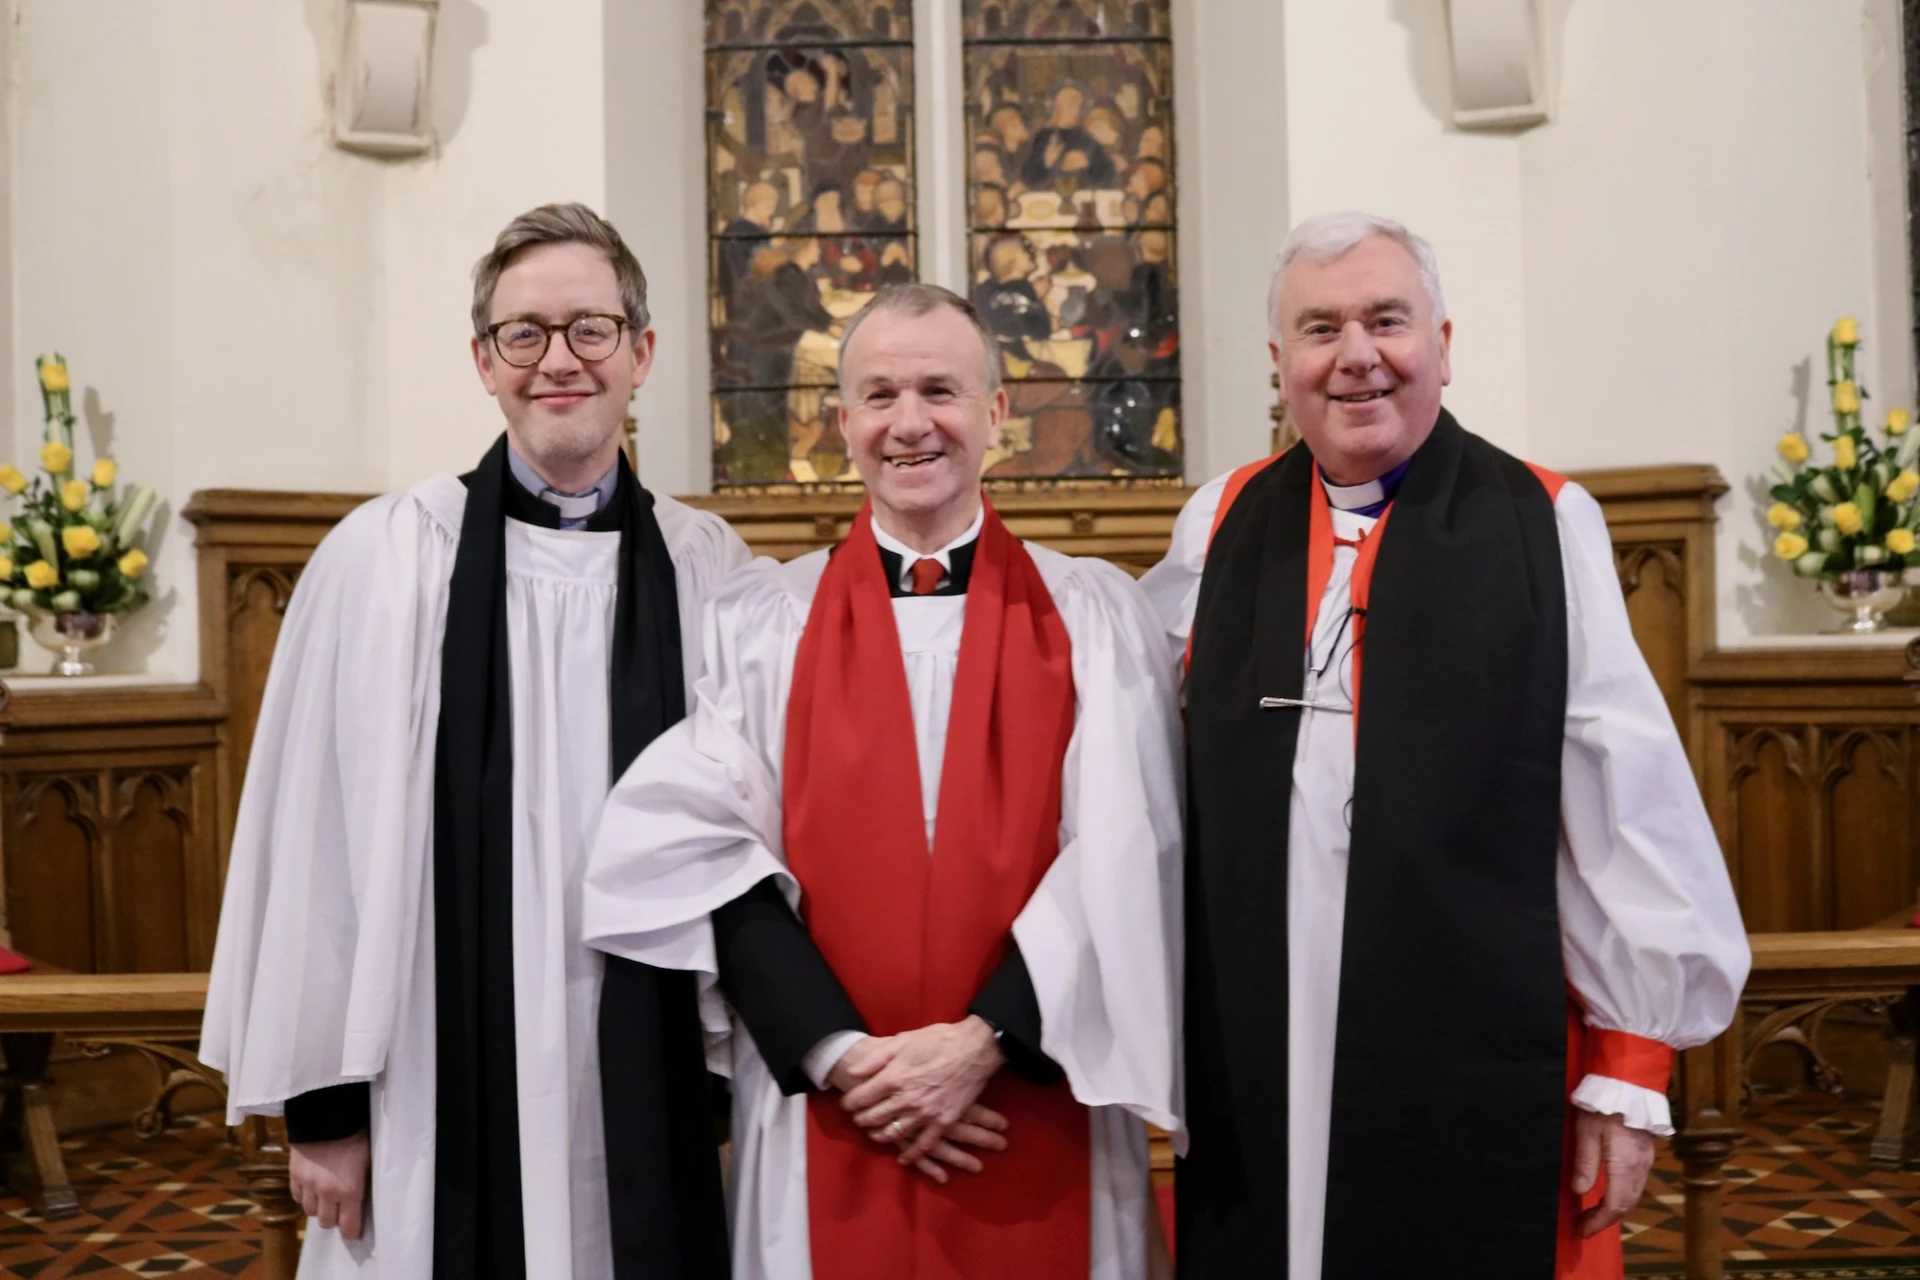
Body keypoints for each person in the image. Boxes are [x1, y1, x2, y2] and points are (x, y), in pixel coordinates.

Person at [1140, 211, 1750, 1279]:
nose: (1357, 355)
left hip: (1471, 1040)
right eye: (1321, 328)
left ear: (1445, 343)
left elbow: (1623, 795)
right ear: (1280, 362)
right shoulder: (1221, 518)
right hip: (1258, 1023)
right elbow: (1141, 763)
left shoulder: (1542, 520)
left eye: (1388, 319)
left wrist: (1627, 1064)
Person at [582, 283, 1183, 1280]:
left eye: (941, 390)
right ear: (843, 423)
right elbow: (704, 849)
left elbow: (1129, 850)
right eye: (880, 395)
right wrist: (843, 1058)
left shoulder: (1092, 615)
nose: (911, 423)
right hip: (833, 1109)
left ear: (997, 414)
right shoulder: (762, 618)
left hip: (1034, 1085)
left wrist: (983, 1043)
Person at [201, 203, 749, 1279]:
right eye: (525, 333)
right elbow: (318, 844)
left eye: (591, 328)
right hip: (430, 1081)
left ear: (641, 353)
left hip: (642, 1072)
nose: (559, 360)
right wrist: (322, 1105)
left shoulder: (709, 571)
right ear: (483, 361)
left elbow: (745, 834)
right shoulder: (388, 559)